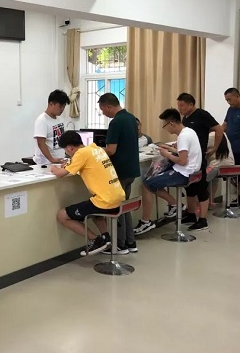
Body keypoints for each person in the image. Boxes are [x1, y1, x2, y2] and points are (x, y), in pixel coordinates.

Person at [50, 131, 126, 256]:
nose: (67, 154)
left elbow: (60, 174)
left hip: (105, 201)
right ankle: (106, 238)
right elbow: (81, 163)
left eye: (66, 151)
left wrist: (53, 168)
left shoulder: (80, 154)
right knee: (95, 208)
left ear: (70, 148)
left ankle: (96, 240)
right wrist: (69, 163)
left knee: (62, 216)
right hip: (118, 196)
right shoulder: (96, 149)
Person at [134, 109, 202, 236]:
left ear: (171, 123)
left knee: (147, 184)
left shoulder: (183, 136)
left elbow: (182, 161)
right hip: (193, 171)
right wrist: (170, 149)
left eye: (165, 126)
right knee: (152, 180)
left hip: (184, 173)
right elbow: (184, 154)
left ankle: (146, 221)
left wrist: (166, 154)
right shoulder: (189, 131)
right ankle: (175, 205)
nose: (165, 129)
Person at [176, 93, 224, 231]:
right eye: (178, 105)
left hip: (199, 157)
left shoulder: (202, 114)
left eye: (182, 105)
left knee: (201, 187)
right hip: (189, 159)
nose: (180, 108)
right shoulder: (185, 118)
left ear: (191, 104)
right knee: (190, 188)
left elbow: (219, 128)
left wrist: (215, 148)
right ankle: (191, 215)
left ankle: (203, 220)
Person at [99, 93, 140, 254]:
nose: (103, 113)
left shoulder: (116, 122)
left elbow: (111, 150)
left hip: (120, 171)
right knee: (125, 207)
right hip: (131, 170)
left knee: (117, 208)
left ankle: (120, 244)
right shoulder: (131, 118)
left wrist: (93, 150)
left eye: (103, 110)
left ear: (108, 106)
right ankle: (130, 242)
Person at [33, 89, 70, 165]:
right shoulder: (42, 120)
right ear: (51, 104)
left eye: (64, 106)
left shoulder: (60, 119)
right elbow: (40, 143)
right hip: (45, 163)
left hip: (59, 161)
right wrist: (52, 159)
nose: (62, 109)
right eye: (60, 106)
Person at [206, 132, 234, 203]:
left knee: (200, 180)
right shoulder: (224, 134)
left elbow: (200, 147)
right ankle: (211, 201)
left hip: (216, 166)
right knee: (214, 179)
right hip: (230, 165)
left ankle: (202, 204)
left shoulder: (210, 136)